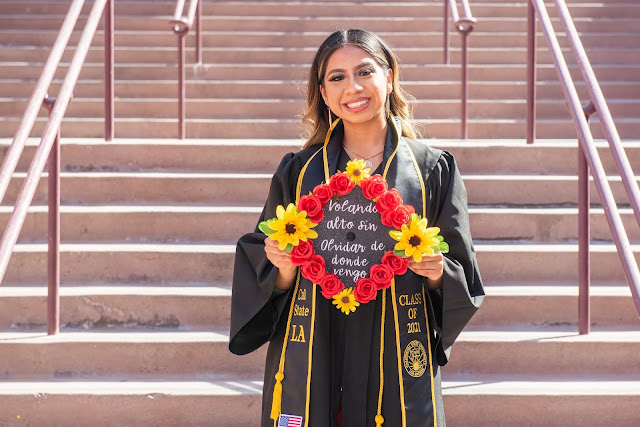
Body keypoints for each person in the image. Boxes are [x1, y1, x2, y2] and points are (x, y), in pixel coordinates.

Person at [229, 29, 484, 427]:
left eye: (365, 71)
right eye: (337, 77)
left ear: (389, 77)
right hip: (317, 339)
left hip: (395, 339)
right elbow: (263, 261)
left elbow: (461, 272)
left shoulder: (431, 170)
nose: (353, 87)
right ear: (324, 92)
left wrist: (437, 274)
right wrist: (281, 269)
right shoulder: (298, 172)